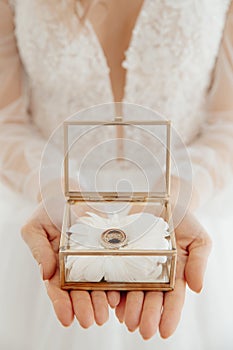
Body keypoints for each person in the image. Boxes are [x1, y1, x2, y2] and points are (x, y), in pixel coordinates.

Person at [0, 0, 232, 349]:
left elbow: (227, 122)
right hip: (54, 215)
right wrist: (53, 189)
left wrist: (176, 196)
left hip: (186, 205)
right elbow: (7, 119)